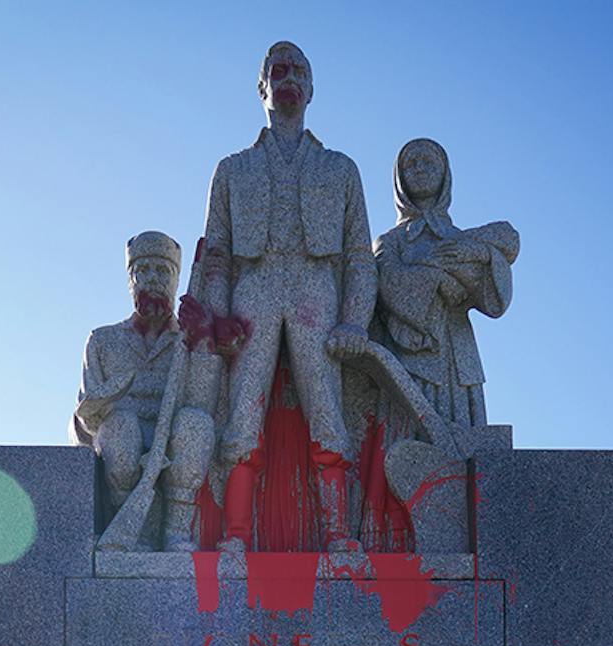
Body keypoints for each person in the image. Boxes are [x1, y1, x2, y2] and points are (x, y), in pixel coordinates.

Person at [198, 41, 376, 552]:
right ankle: (234, 536)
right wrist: (217, 313)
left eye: (299, 70)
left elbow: (359, 255)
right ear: (262, 87)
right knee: (242, 410)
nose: (289, 77)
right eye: (278, 70)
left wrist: (355, 320)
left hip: (314, 288)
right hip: (252, 290)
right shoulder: (232, 169)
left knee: (326, 408)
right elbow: (218, 252)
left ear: (313, 88)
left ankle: (339, 535)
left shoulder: (340, 169)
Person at [72, 231, 215, 550]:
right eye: (143, 270)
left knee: (196, 424)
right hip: (119, 444)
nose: (152, 279)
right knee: (120, 429)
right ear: (130, 279)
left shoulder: (189, 340)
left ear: (177, 279)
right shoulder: (102, 340)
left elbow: (206, 402)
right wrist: (106, 407)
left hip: (177, 440)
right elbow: (84, 421)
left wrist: (202, 340)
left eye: (163, 270)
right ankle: (137, 533)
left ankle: (177, 532)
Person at [373, 137, 519, 427]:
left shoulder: (463, 239)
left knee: (468, 442)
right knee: (407, 437)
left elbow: (493, 300)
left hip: (457, 353)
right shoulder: (390, 241)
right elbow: (388, 284)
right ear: (399, 179)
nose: (420, 168)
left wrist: (480, 253)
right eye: (411, 164)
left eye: (429, 162)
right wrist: (437, 276)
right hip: (408, 355)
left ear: (445, 174)